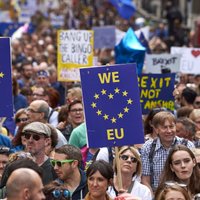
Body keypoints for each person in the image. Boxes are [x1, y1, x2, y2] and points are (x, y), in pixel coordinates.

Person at [141, 111, 195, 193]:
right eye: (164, 127)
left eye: (171, 126)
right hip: (157, 195)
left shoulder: (187, 145)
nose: (169, 131)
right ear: (156, 129)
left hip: (184, 194)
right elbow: (145, 180)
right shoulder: (148, 147)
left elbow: (195, 174)